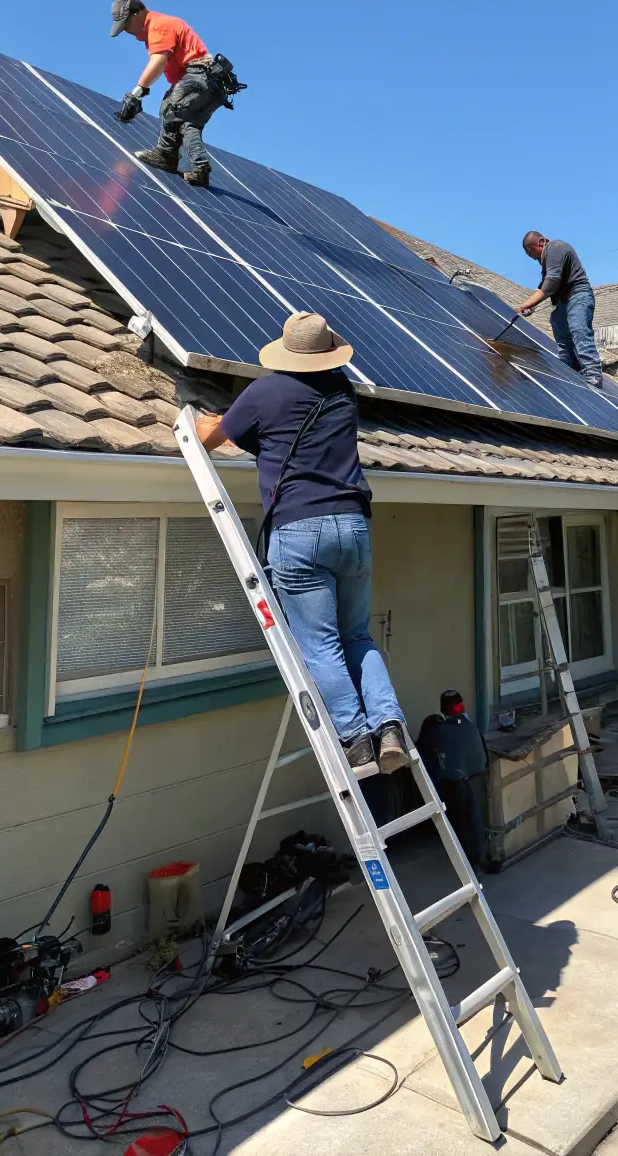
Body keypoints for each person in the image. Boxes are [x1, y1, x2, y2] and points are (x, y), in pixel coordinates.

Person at [195, 311, 408, 780]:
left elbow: (210, 439)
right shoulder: (343, 392)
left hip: (298, 531)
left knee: (321, 645)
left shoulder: (264, 392)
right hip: (352, 526)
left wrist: (205, 418)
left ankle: (355, 741)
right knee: (357, 636)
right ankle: (389, 727)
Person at [109, 0, 227, 188]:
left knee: (170, 109)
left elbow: (158, 61)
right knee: (187, 123)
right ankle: (200, 168)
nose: (127, 32)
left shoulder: (157, 24)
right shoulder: (157, 28)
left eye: (126, 25)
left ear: (137, 13)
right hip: (212, 83)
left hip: (199, 75)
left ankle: (166, 155)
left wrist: (137, 93)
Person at [515, 231, 602, 387]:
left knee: (578, 328)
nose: (532, 256)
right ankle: (570, 369)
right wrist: (532, 305)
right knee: (558, 324)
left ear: (541, 242)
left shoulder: (555, 247)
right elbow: (545, 285)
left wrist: (525, 305)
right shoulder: (547, 260)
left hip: (578, 295)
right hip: (563, 301)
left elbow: (551, 283)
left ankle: (592, 372)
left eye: (531, 250)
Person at [417, 690, 489, 867]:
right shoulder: (471, 727)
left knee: (462, 821)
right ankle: (480, 856)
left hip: (457, 784)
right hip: (477, 778)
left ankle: (467, 861)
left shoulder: (438, 732)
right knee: (476, 818)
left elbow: (422, 748)